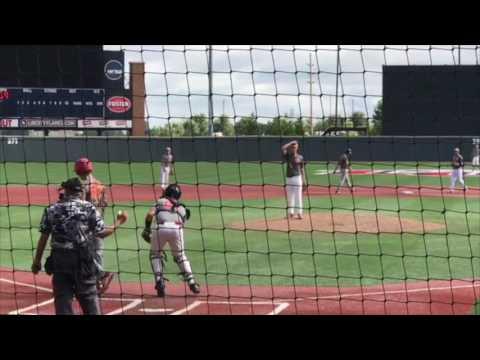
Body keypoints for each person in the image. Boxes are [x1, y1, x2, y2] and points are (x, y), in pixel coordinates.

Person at [31, 178, 127, 315]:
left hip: (59, 259)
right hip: (82, 259)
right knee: (88, 296)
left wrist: (37, 261)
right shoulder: (88, 207)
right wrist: (119, 222)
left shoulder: (52, 209)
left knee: (62, 298)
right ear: (80, 192)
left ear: (67, 191)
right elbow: (102, 233)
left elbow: (44, 237)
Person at [141, 184, 200, 297]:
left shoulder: (160, 201)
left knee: (155, 254)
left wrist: (147, 229)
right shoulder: (182, 207)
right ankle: (192, 282)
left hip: (160, 228)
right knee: (180, 256)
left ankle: (159, 281)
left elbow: (150, 214)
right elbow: (185, 218)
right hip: (177, 229)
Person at [74, 157, 113, 294]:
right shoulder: (100, 185)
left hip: (85, 223)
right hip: (98, 220)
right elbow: (104, 205)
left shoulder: (80, 185)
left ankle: (100, 276)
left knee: (82, 252)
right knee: (97, 252)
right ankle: (99, 282)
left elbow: (80, 205)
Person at [281, 140, 306, 220]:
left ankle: (299, 213)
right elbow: (283, 148)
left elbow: (302, 169)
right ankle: (290, 213)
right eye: (292, 147)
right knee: (289, 196)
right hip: (288, 178)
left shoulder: (300, 157)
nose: (293, 148)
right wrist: (290, 142)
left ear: (297, 148)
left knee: (298, 196)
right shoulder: (288, 156)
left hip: (297, 178)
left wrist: (304, 180)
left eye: (295, 147)